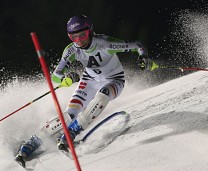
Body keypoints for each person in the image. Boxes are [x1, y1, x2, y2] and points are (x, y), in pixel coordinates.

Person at [15, 14, 151, 167]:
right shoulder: (71, 50)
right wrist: (65, 79)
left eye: (83, 35)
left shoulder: (105, 43)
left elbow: (137, 45)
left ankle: (72, 133)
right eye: (74, 37)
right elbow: (55, 77)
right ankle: (32, 143)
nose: (79, 40)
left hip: (114, 80)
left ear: (90, 31)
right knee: (69, 115)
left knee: (102, 96)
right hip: (89, 81)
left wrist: (143, 58)